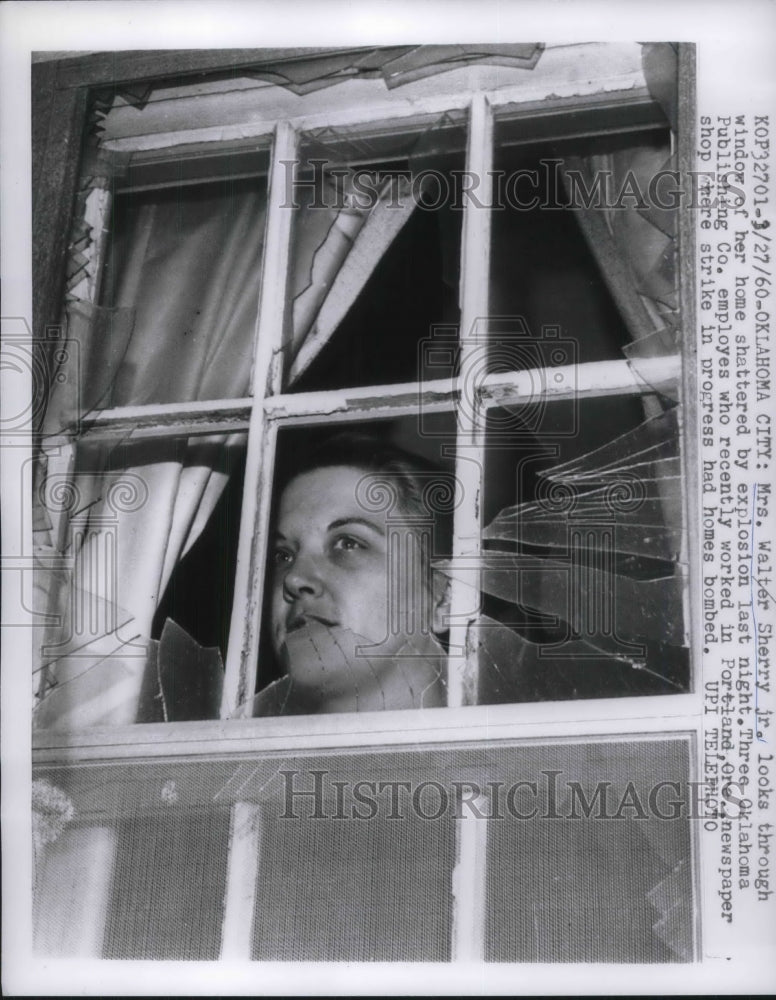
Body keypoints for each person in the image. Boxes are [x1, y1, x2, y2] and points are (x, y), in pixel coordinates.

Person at [246, 431, 453, 716]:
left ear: (443, 599)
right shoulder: (244, 761)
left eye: (348, 544)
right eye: (283, 555)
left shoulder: (519, 758)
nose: (294, 579)